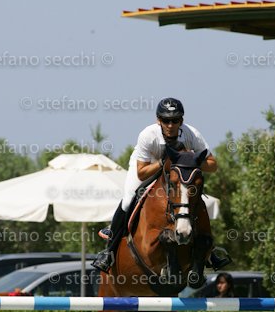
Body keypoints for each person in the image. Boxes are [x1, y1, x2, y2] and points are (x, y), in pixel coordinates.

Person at [93, 97, 231, 273]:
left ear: (181, 120)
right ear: (158, 120)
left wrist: (191, 161)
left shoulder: (192, 134)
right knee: (128, 199)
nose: (170, 125)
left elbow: (213, 165)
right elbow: (141, 172)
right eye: (166, 120)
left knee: (193, 199)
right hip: (148, 166)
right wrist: (162, 162)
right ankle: (109, 250)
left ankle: (210, 252)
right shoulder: (148, 135)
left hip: (176, 172)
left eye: (175, 120)